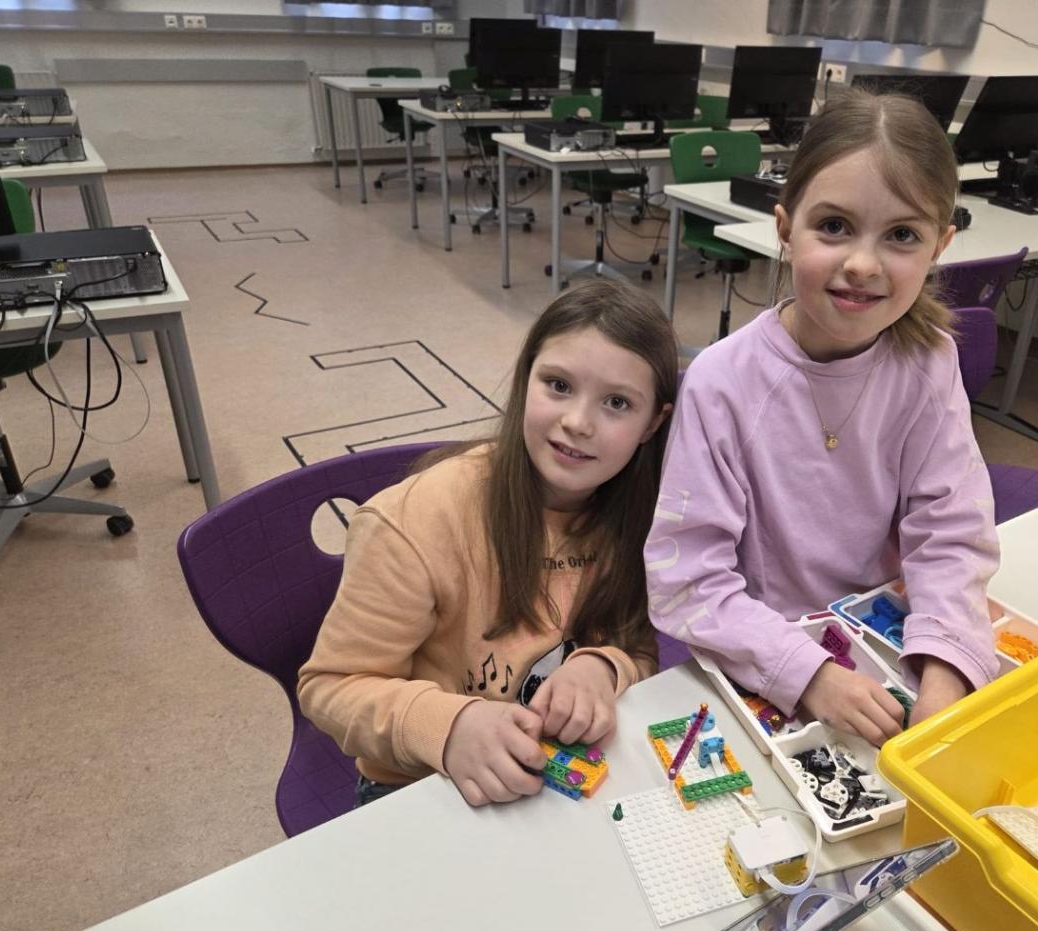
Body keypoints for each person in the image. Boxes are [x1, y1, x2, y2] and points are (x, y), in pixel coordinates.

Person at [644, 89, 1000, 748]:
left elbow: (950, 528)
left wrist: (948, 668)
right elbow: (686, 580)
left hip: (888, 643)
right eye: (833, 226)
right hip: (764, 656)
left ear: (939, 245)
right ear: (784, 228)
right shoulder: (722, 382)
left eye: (901, 235)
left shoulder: (928, 360)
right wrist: (807, 673)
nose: (861, 264)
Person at [298, 281, 677, 807]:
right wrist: (450, 726)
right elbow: (330, 688)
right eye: (558, 385)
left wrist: (605, 666)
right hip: (422, 782)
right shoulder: (417, 520)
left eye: (617, 403)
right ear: (525, 379)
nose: (577, 423)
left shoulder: (644, 513)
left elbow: (639, 646)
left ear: (653, 422)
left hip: (554, 770)